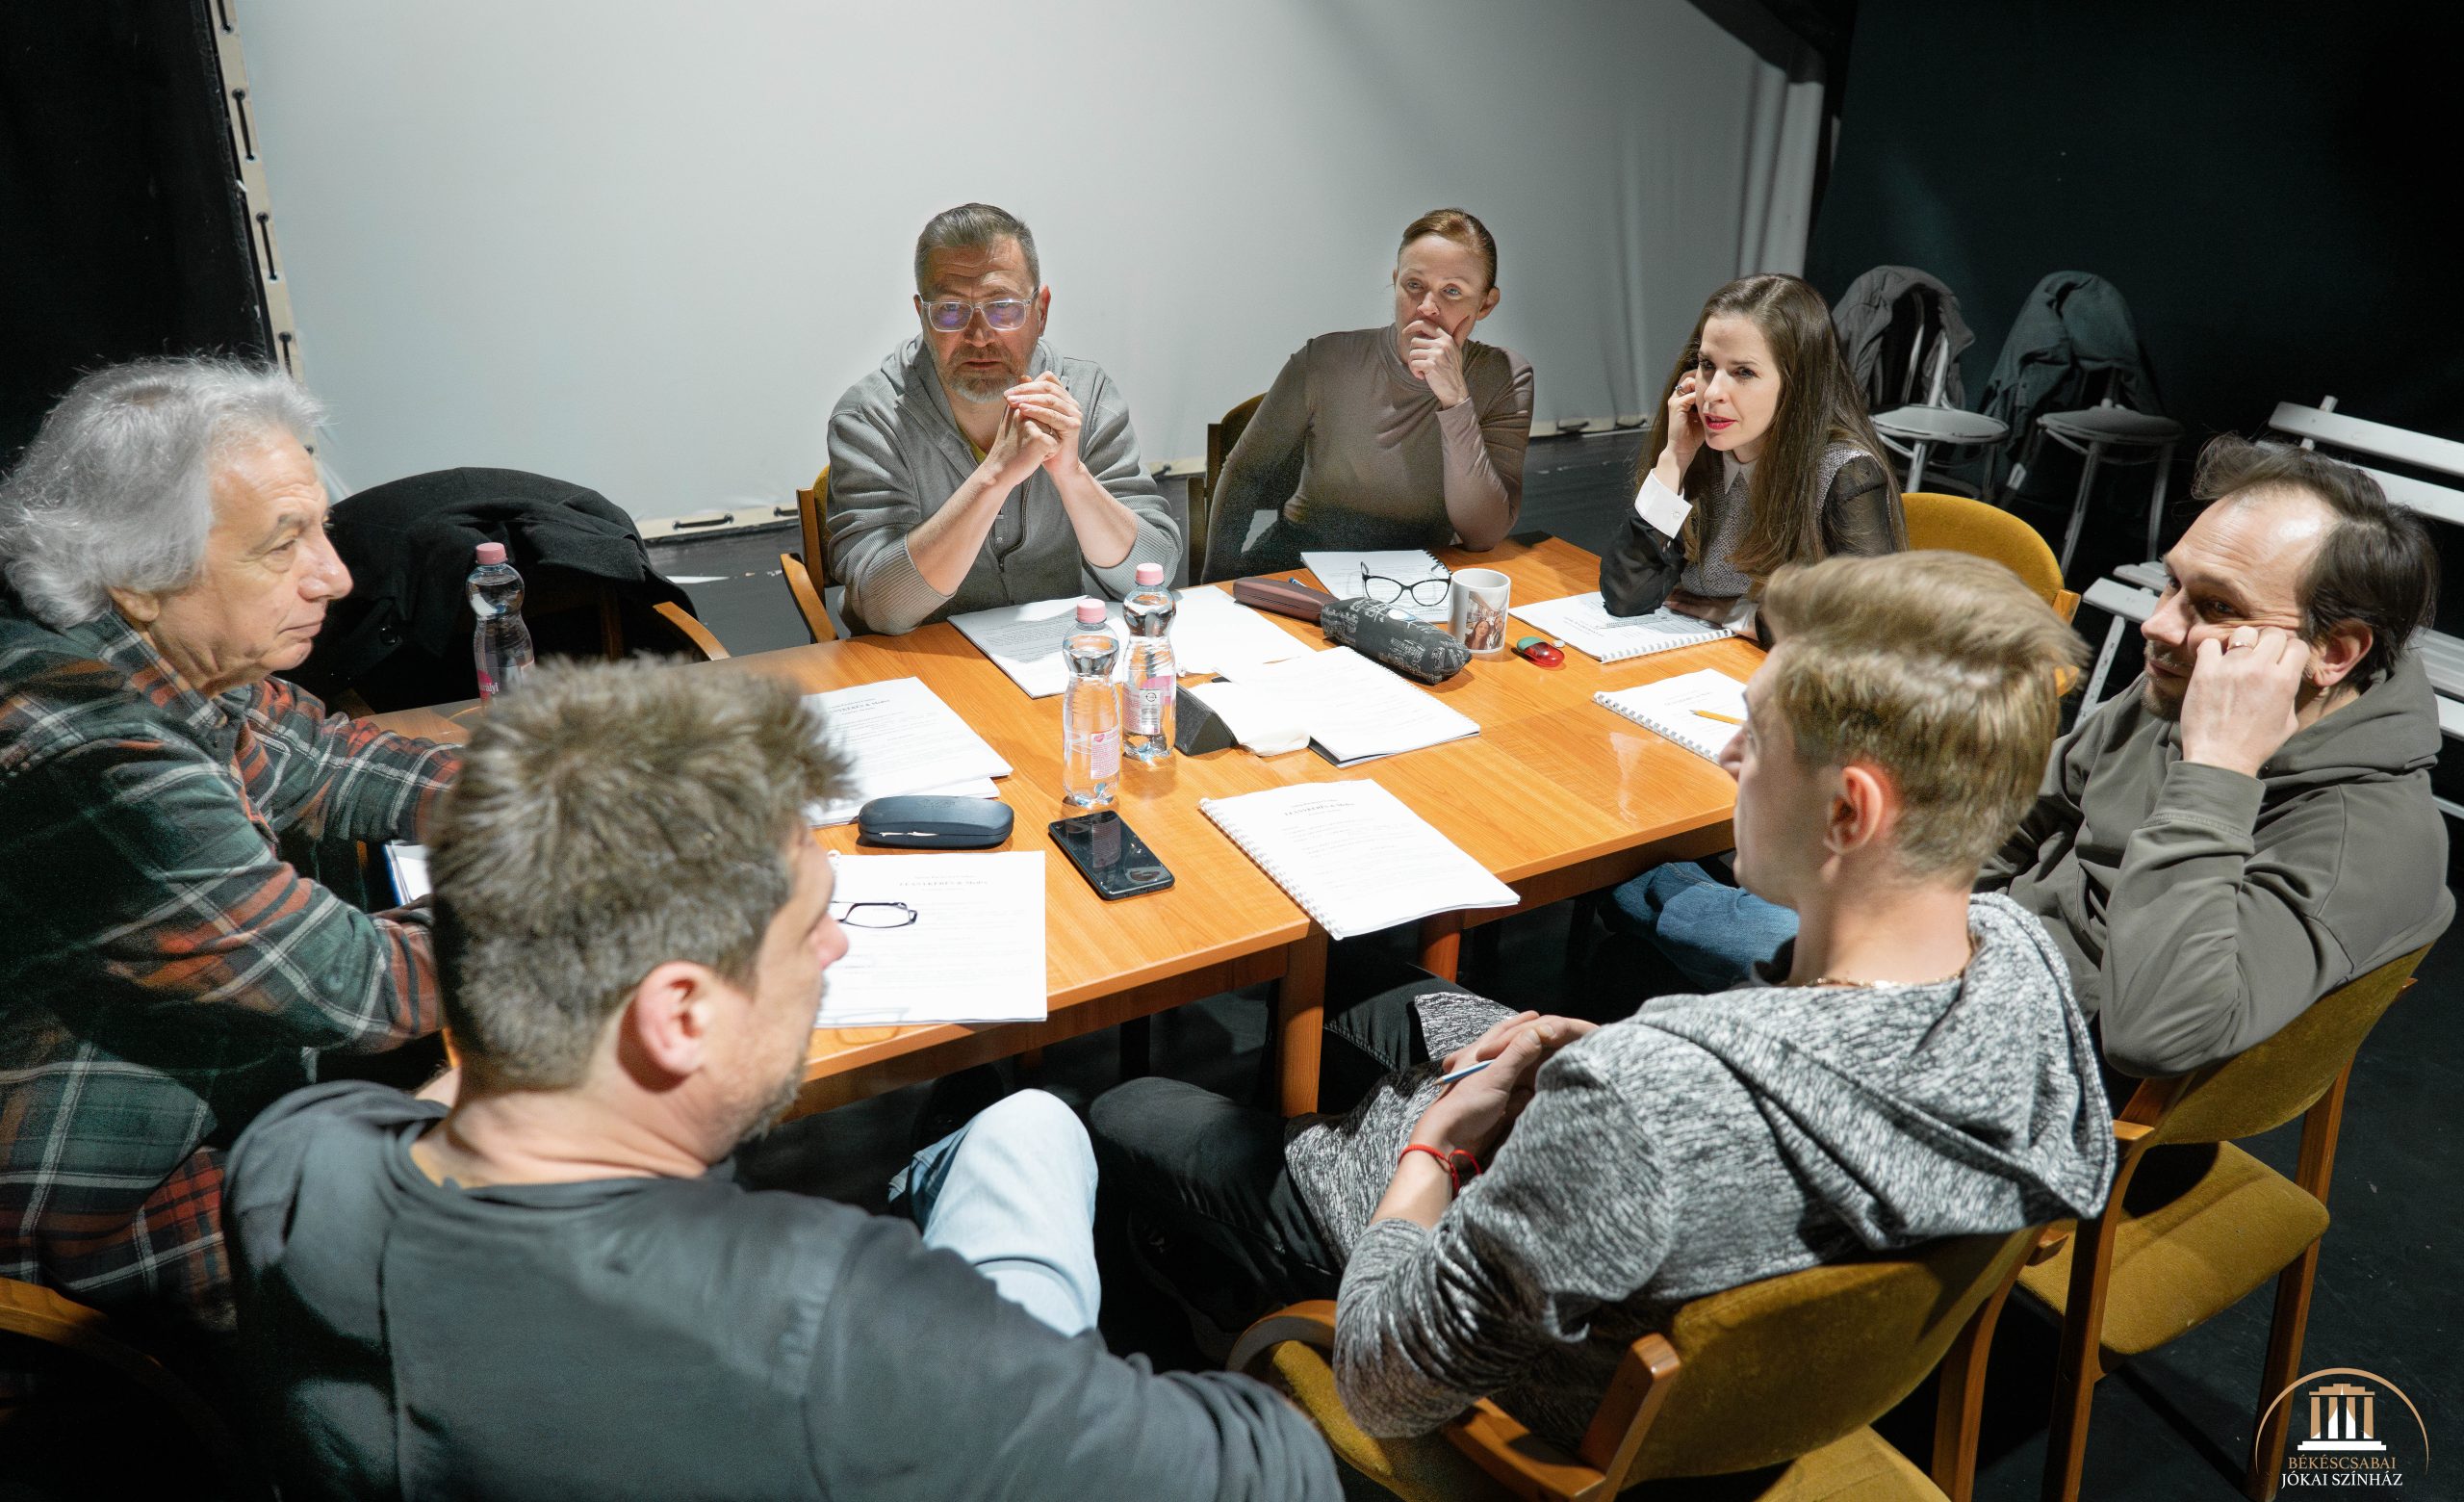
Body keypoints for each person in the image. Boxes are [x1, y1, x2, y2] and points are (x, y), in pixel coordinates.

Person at [223, 660, 1339, 1502]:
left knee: (1026, 1124)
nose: (836, 949)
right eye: (809, 928)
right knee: (1039, 1139)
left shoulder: (293, 1156)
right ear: (680, 1016)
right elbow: (1265, 1472)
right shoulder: (827, 1319)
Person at [1091, 552, 2115, 1449]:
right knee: (1372, 981)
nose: (1728, 757)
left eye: (1757, 739)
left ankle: (1209, 1338)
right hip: (1630, 1214)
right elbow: (1765, 1091)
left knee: (1122, 1110)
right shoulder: (2024, 972)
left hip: (1460, 1320)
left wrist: (1437, 1148)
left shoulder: (1637, 1104)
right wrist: (1608, 1057)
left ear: (1849, 811)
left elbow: (1385, 1375)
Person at [1620, 437, 2452, 1079]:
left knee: (1674, 896)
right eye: (2172, 585)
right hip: (1976, 965)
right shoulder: (2183, 685)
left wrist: (2217, 775)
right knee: (1702, 890)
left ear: (2334, 652)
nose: (2159, 625)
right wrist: (1914, 934)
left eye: (2215, 607)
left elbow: (2152, 1036)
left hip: (2041, 1070)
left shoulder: (2366, 839)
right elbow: (2020, 815)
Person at [0, 358, 456, 1344]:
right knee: (543, 1213)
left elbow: (332, 762)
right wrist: (597, 897)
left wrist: (571, 801)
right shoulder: (86, 751)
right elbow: (355, 986)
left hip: (238, 1113)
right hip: (110, 1229)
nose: (334, 575)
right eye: (283, 544)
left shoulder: (169, 662)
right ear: (138, 575)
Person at [826, 202, 1181, 635]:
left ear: (1041, 311)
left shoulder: (1086, 396)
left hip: (1054, 655)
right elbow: (884, 610)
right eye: (951, 309)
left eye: (1004, 307)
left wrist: (1072, 475)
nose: (979, 336)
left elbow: (1153, 574)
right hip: (925, 659)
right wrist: (994, 476)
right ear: (922, 316)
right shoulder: (869, 418)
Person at [1204, 208, 1535, 580]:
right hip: (1300, 557)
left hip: (1414, 574)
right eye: (1414, 285)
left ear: (1486, 303)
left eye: (1452, 291)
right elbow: (1245, 472)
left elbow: (1482, 535)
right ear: (1396, 282)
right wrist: (1214, 582)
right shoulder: (1325, 360)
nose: (1427, 307)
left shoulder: (1505, 377)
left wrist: (1456, 401)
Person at [1600, 273, 1903, 631]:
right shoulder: (1698, 447)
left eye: (1743, 372)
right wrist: (1674, 459)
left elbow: (1871, 624)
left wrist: (1741, 617)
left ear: (1796, 384)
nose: (1713, 393)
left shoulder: (1845, 473)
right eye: (1707, 365)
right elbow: (1627, 594)